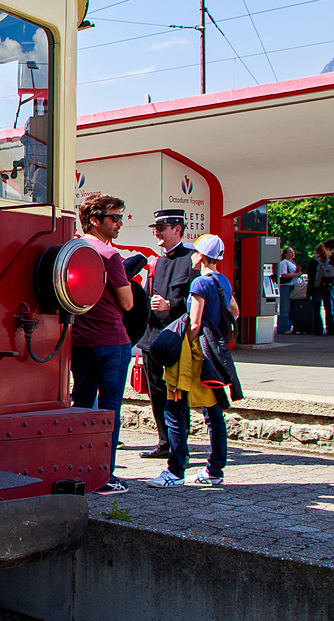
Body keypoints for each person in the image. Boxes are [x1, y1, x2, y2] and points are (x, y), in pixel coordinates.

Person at [149, 234, 242, 488]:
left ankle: (175, 471)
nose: (191, 255)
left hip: (194, 354)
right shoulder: (222, 281)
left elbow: (195, 322)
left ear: (200, 256)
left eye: (195, 251)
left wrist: (182, 343)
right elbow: (234, 310)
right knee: (213, 413)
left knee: (175, 410)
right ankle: (214, 471)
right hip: (212, 354)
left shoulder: (200, 283)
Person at [71, 192, 135, 494]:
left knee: (81, 406)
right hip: (111, 340)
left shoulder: (69, 250)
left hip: (80, 341)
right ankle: (104, 477)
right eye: (114, 218)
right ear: (95, 220)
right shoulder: (110, 256)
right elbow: (127, 303)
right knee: (110, 410)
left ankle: (77, 470)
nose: (119, 223)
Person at [135, 209, 196, 461]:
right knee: (156, 393)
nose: (157, 233)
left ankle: (180, 442)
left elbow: (196, 301)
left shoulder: (191, 260)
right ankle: (163, 442)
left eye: (162, 228)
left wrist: (171, 304)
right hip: (152, 337)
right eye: (155, 229)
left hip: (175, 337)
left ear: (177, 229)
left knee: (177, 392)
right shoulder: (157, 262)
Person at [307, 239, 334, 336]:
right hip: (327, 287)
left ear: (317, 252)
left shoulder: (314, 262)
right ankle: (331, 328)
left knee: (316, 308)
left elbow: (311, 277)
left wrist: (308, 292)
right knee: (328, 308)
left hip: (316, 287)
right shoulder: (330, 262)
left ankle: (318, 329)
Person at [276, 247, 299, 335]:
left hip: (292, 286)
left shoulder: (292, 263)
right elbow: (283, 275)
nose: (292, 254)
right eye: (290, 252)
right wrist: (295, 274)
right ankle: (282, 328)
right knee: (285, 308)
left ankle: (288, 326)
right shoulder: (283, 263)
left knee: (291, 308)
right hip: (286, 286)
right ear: (285, 254)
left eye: (292, 252)